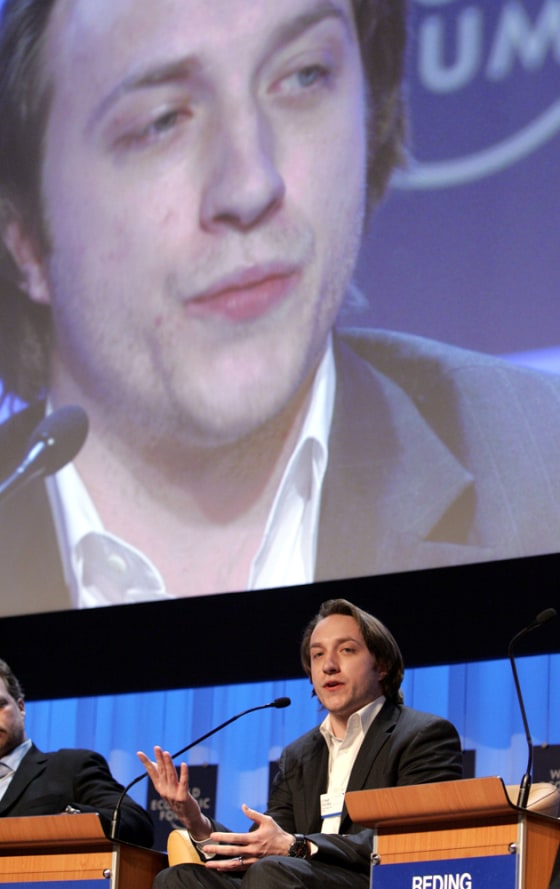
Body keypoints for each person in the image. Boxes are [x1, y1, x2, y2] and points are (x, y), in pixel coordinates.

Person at [2, 0, 560, 616]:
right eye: (161, 121)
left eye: (303, 76)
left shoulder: (542, 474)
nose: (250, 184)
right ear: (23, 232)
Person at [138, 598, 464, 888]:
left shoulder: (423, 735)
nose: (329, 665)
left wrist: (299, 846)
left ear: (382, 666)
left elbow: (415, 841)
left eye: (346, 650)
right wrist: (197, 821)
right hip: (288, 877)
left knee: (273, 872)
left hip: (371, 879)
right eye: (317, 654)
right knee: (177, 879)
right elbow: (264, 844)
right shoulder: (299, 754)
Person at [0, 657, 154, 846]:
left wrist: (70, 820)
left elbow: (135, 822)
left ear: (20, 707)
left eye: (0, 705)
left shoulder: (70, 766)